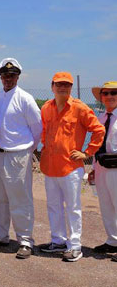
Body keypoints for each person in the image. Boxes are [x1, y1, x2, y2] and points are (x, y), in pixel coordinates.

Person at [38, 72, 105, 262]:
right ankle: (58, 241)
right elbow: (44, 130)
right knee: (53, 206)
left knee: (73, 208)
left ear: (71, 87)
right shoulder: (46, 108)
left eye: (66, 85)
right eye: (59, 84)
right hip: (50, 166)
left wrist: (87, 153)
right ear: (52, 86)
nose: (62, 88)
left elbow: (98, 130)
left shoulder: (80, 108)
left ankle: (75, 246)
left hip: (71, 168)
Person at [0, 58, 42, 259]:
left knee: (20, 199)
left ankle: (25, 240)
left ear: (18, 76)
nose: (8, 79)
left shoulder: (25, 98)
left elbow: (37, 130)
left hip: (18, 155)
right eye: (5, 75)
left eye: (12, 75)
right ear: (0, 77)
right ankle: (0, 235)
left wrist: (27, 151)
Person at [89, 81, 117, 259]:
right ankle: (113, 240)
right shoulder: (100, 118)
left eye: (114, 93)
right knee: (106, 206)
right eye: (105, 93)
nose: (109, 96)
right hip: (101, 167)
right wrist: (92, 168)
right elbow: (96, 144)